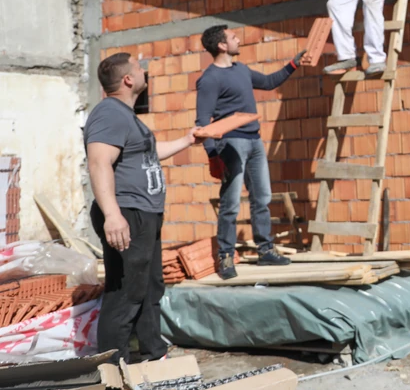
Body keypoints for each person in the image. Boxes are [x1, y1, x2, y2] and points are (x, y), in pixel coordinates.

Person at [85, 53, 202, 364]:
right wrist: (113, 215)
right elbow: (98, 162)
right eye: (138, 68)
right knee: (126, 292)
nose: (143, 71)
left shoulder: (127, 116)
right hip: (127, 212)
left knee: (149, 287)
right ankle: (112, 368)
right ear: (127, 79)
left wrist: (187, 140)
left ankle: (153, 354)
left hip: (143, 213)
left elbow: (148, 153)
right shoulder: (109, 113)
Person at [196, 25, 305, 279]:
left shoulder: (241, 70)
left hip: (254, 141)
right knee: (231, 204)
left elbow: (268, 82)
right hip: (231, 144)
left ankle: (265, 250)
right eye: (233, 37)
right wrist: (212, 155)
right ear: (222, 45)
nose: (238, 39)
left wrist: (293, 64)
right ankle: (225, 256)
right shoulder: (210, 79)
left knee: (262, 197)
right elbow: (202, 121)